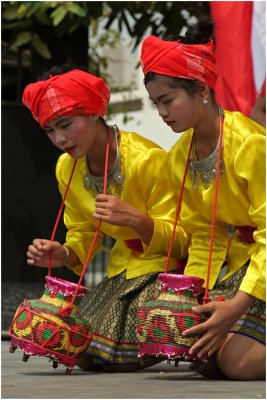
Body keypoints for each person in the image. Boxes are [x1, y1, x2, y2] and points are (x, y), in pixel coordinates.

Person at [23, 65, 189, 372]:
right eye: (49, 130)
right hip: (121, 270)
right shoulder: (66, 167)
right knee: (76, 349)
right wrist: (64, 253)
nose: (59, 138)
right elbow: (83, 230)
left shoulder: (146, 159)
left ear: (93, 112)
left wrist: (137, 220)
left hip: (164, 271)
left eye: (66, 124)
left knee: (111, 358)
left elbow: (183, 239)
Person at [140, 17, 266, 380]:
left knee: (236, 364)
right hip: (244, 267)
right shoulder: (180, 156)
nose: (162, 113)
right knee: (197, 350)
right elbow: (202, 237)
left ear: (200, 89)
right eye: (155, 104)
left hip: (261, 265)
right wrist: (191, 297)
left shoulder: (250, 144)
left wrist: (238, 303)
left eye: (168, 100)